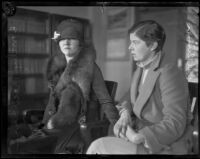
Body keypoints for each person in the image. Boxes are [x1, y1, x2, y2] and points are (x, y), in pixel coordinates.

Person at [8, 19, 119, 154]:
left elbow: (105, 100)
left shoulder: (91, 68)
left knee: (18, 148)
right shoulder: (58, 69)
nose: (66, 42)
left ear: (80, 44)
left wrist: (118, 126)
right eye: (63, 39)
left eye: (72, 38)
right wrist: (44, 124)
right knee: (11, 134)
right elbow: (51, 103)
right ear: (58, 43)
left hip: (74, 128)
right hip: (51, 125)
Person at [86, 20, 193, 154]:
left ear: (153, 45)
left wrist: (139, 136)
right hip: (136, 134)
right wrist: (125, 115)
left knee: (98, 146)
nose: (130, 47)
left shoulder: (169, 72)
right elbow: (128, 98)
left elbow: (175, 123)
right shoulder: (140, 69)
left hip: (162, 144)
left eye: (135, 42)